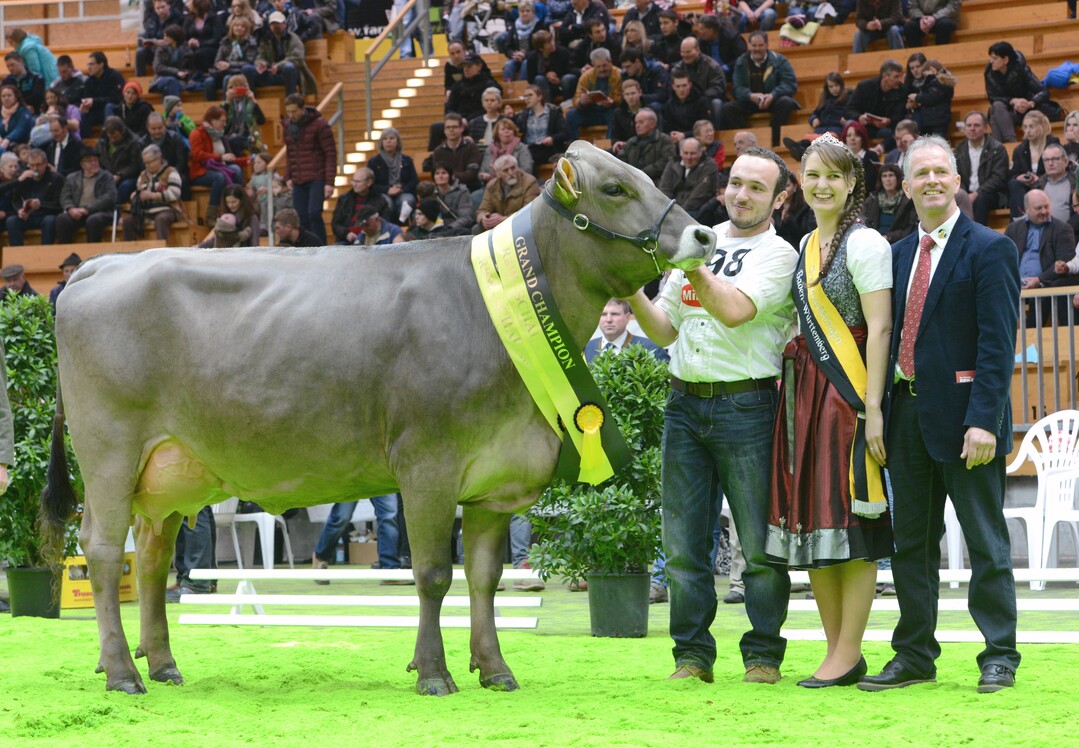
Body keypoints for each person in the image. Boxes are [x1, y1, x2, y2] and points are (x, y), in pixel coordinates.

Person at [858, 135, 1021, 694]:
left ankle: (999, 653)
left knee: (985, 544)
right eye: (918, 174)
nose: (929, 180)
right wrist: (876, 412)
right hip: (905, 420)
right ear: (904, 187)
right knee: (911, 547)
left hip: (967, 425)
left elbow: (998, 347)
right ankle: (915, 654)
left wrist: (983, 420)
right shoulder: (894, 253)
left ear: (956, 182)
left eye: (939, 172)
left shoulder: (991, 247)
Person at [627, 147, 795, 685]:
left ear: (779, 199)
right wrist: (630, 285)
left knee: (759, 547)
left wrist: (691, 260)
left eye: (756, 187)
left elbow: (733, 309)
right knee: (681, 547)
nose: (741, 194)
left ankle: (763, 654)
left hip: (747, 405)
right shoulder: (700, 239)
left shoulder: (779, 254)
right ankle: (692, 656)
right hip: (684, 402)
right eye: (735, 182)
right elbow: (664, 329)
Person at [766, 133, 894, 688]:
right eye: (813, 174)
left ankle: (849, 650)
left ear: (851, 185)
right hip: (805, 396)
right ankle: (835, 652)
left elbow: (881, 328)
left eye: (833, 177)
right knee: (816, 523)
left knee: (851, 524)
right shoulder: (802, 245)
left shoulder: (866, 245)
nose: (821, 185)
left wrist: (874, 408)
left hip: (847, 396)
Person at [1005, 188, 1077, 325]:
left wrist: (1039, 280)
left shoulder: (1063, 229)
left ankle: (1030, 343)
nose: (1044, 211)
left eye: (1046, 206)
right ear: (1026, 210)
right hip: (1015, 283)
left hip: (1044, 284)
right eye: (1038, 208)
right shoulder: (1013, 229)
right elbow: (1002, 260)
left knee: (1041, 296)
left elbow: (1064, 262)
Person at [722, 32, 799, 148]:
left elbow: (790, 84)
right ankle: (747, 142)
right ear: (749, 46)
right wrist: (750, 95)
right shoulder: (741, 62)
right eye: (754, 45)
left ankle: (775, 142)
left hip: (774, 100)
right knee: (728, 109)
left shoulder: (780, 60)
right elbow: (737, 89)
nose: (757, 49)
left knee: (786, 103)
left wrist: (773, 95)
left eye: (760, 45)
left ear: (767, 45)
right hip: (751, 101)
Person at [282, 93, 335, 245]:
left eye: (294, 111)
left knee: (314, 213)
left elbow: (330, 153)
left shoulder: (320, 125)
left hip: (317, 176)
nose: (291, 115)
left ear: (302, 109)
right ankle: (306, 250)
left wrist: (329, 182)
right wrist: (288, 176)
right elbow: (290, 153)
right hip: (298, 178)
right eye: (288, 112)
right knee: (300, 218)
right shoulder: (287, 126)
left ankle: (322, 247)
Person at [311, 496, 402, 582]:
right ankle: (321, 556)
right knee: (341, 517)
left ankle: (389, 569)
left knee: (388, 516)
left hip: (381, 479)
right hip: (351, 479)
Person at [985, 41, 1060, 144]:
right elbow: (992, 97)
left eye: (995, 58)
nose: (991, 61)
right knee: (997, 107)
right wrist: (1013, 101)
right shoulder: (989, 73)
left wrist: (1029, 103)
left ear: (1005, 59)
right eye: (991, 58)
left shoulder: (1021, 69)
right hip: (1007, 112)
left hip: (1028, 110)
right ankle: (1011, 141)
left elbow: (1043, 91)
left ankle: (999, 150)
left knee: (995, 116)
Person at [190, 105, 245, 223]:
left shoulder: (221, 135)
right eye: (222, 121)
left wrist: (246, 161)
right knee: (219, 177)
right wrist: (219, 157)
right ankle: (212, 214)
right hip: (201, 170)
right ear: (213, 121)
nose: (224, 124)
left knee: (237, 169)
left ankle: (240, 206)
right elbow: (197, 155)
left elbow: (230, 157)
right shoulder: (197, 133)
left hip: (220, 167)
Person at [954, 111, 1010, 226]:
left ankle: (977, 237)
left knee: (981, 200)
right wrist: (964, 194)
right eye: (969, 125)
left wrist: (977, 193)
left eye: (977, 125)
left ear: (985, 128)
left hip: (991, 194)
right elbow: (955, 176)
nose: (972, 129)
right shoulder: (959, 150)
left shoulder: (997, 149)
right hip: (966, 193)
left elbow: (998, 178)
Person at [123, 143, 185, 241]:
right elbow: (139, 191)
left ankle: (162, 250)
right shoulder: (143, 175)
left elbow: (175, 194)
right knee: (127, 221)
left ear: (159, 158)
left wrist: (153, 196)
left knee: (161, 219)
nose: (148, 166)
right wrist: (136, 196)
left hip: (168, 209)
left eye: (150, 162)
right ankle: (129, 252)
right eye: (145, 163)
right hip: (145, 211)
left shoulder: (171, 172)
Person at [55, 146, 116, 244]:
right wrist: (70, 209)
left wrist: (88, 209)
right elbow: (65, 196)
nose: (94, 163)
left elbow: (109, 197)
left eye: (95, 160)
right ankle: (65, 251)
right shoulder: (72, 178)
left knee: (93, 220)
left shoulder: (106, 176)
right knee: (62, 219)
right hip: (77, 211)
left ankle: (93, 253)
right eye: (89, 161)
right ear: (82, 164)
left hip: (100, 212)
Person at [846, 59, 907, 153]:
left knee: (899, 131)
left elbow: (900, 114)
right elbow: (849, 109)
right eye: (896, 77)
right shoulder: (865, 86)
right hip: (864, 126)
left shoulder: (902, 90)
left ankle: (878, 150)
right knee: (850, 125)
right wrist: (859, 117)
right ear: (885, 76)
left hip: (886, 128)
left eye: (900, 76)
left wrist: (889, 120)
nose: (900, 80)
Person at [1007, 110, 1059, 219]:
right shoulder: (1020, 149)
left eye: (1031, 127)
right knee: (1014, 183)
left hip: (1046, 184)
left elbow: (1058, 170)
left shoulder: (1053, 145)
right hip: (1025, 188)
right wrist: (1018, 177)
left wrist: (1039, 179)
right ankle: (1020, 219)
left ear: (1042, 125)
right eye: (1025, 127)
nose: (1028, 131)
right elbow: (1013, 174)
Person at [6, 148, 64, 245]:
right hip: (29, 215)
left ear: (45, 163)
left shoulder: (56, 178)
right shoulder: (25, 177)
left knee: (50, 221)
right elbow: (15, 199)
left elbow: (59, 204)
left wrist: (41, 205)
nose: (35, 169)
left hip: (46, 214)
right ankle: (17, 254)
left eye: (38, 165)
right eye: (31, 165)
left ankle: (46, 253)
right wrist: (19, 210)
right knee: (12, 221)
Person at [584, 298, 669, 363]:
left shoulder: (651, 349)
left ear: (628, 317)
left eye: (614, 314)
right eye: (603, 315)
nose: (608, 319)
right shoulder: (588, 347)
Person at [255, 11, 318, 97]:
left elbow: (297, 58)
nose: (276, 26)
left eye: (278, 23)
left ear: (284, 24)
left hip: (290, 74)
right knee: (248, 70)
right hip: (270, 73)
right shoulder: (266, 40)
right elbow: (260, 56)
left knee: (289, 67)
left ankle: (290, 100)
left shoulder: (293, 38)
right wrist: (261, 64)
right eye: (273, 24)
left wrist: (278, 66)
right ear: (270, 26)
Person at [564, 48, 622, 142]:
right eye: (598, 67)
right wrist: (582, 102)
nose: (601, 69)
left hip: (610, 111)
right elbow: (576, 99)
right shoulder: (586, 76)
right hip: (591, 111)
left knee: (616, 113)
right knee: (571, 114)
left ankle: (608, 146)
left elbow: (623, 98)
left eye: (604, 66)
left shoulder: (619, 75)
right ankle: (573, 145)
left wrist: (613, 102)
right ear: (593, 65)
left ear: (610, 61)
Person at [670, 37, 727, 128]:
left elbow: (718, 88)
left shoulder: (712, 66)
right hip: (685, 100)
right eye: (682, 52)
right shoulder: (677, 69)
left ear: (697, 50)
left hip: (706, 100)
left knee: (716, 103)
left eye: (688, 52)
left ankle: (716, 133)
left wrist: (700, 97)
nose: (685, 55)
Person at [475, 154, 540, 231]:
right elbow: (482, 210)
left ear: (518, 168)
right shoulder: (491, 186)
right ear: (498, 174)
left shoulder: (529, 182)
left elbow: (528, 214)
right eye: (505, 170)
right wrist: (484, 219)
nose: (511, 173)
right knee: (476, 229)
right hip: (499, 225)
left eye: (513, 168)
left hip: (520, 225)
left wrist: (502, 220)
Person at [367, 128, 418, 226]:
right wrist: (388, 190)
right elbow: (371, 185)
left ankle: (402, 227)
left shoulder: (407, 160)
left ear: (398, 142)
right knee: (386, 202)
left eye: (391, 138)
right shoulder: (374, 162)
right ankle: (387, 227)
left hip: (403, 192)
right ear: (381, 143)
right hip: (383, 193)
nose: (388, 141)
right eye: (385, 139)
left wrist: (401, 189)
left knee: (407, 201)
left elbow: (414, 180)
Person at [658, 137, 718, 216]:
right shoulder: (672, 163)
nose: (689, 157)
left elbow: (700, 195)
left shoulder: (709, 166)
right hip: (671, 209)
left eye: (693, 153)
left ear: (701, 152)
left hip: (697, 211)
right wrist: (667, 209)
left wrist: (680, 214)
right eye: (685, 153)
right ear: (680, 153)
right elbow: (664, 189)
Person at [205, 16, 260, 103]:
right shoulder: (225, 41)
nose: (239, 28)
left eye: (242, 26)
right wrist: (220, 65)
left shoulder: (251, 42)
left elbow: (248, 62)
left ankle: (227, 106)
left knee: (227, 79)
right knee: (208, 81)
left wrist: (229, 65)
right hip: (223, 71)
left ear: (246, 29)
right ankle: (212, 109)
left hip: (238, 72)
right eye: (236, 26)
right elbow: (217, 61)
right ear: (232, 28)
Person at [615, 107, 675, 186]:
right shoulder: (631, 142)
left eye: (641, 122)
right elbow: (620, 161)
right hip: (632, 182)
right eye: (636, 123)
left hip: (657, 183)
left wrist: (641, 174)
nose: (637, 126)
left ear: (652, 124)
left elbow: (665, 162)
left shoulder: (664, 140)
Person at [514, 84, 567, 169]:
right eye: (525, 96)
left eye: (530, 95)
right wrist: (511, 117)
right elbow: (517, 131)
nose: (527, 98)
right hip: (529, 148)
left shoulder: (554, 113)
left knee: (527, 156)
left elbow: (564, 133)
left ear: (539, 97)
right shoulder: (523, 115)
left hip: (547, 148)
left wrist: (552, 138)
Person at [331, 167, 389, 244]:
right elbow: (336, 223)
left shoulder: (380, 201)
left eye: (358, 181)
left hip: (371, 239)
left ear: (369, 182)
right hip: (346, 240)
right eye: (353, 181)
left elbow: (384, 224)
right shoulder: (344, 199)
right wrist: (346, 234)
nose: (354, 184)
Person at [863, 163, 916, 243]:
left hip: (898, 243)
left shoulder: (908, 200)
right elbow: (864, 222)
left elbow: (910, 228)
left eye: (891, 175)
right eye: (884, 176)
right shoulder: (872, 199)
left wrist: (888, 237)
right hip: (874, 242)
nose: (888, 179)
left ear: (897, 178)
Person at [428, 112, 482, 192]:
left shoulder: (472, 147)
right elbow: (439, 175)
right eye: (448, 127)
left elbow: (471, 174)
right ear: (444, 130)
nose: (451, 130)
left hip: (470, 189)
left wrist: (450, 176)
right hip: (447, 190)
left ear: (462, 128)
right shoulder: (438, 151)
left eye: (455, 127)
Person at [94, 117, 141, 206]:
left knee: (124, 186)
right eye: (110, 137)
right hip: (107, 174)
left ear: (122, 132)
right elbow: (97, 159)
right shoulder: (102, 141)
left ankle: (114, 208)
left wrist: (119, 175)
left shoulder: (134, 142)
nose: (112, 140)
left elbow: (135, 165)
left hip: (127, 177)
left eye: (115, 136)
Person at [78, 51, 125, 139]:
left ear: (101, 64)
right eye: (88, 65)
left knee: (109, 106)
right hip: (97, 112)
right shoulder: (88, 81)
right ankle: (85, 143)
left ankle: (107, 139)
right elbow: (86, 98)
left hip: (115, 111)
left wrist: (94, 101)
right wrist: (85, 106)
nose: (88, 68)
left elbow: (117, 98)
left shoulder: (114, 76)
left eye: (91, 64)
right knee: (83, 114)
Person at [906, 59, 955, 139]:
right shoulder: (941, 82)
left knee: (938, 144)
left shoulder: (938, 82)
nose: (925, 77)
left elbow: (930, 97)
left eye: (925, 74)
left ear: (932, 70)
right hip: (936, 119)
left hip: (937, 120)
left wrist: (916, 97)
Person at [479, 119, 534, 189]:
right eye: (503, 129)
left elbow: (527, 170)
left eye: (509, 129)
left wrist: (505, 174)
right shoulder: (489, 150)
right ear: (497, 133)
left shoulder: (521, 148)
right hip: (492, 186)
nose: (506, 131)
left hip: (517, 186)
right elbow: (482, 171)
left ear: (513, 132)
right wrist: (485, 176)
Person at [136, 0, 184, 77]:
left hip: (170, 49)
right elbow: (148, 34)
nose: (160, 10)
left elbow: (180, 37)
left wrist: (167, 42)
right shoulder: (152, 18)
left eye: (163, 7)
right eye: (157, 8)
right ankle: (140, 78)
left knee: (160, 50)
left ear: (169, 6)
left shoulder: (178, 18)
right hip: (154, 47)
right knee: (140, 52)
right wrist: (153, 41)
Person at [661, 72, 711, 145]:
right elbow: (666, 128)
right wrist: (672, 135)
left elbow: (704, 127)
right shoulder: (669, 105)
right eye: (678, 86)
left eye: (684, 85)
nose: (681, 89)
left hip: (698, 141)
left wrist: (685, 135)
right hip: (676, 142)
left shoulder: (701, 102)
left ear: (690, 85)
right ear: (673, 87)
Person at [150, 24, 198, 99]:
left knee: (168, 88)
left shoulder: (186, 50)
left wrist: (185, 73)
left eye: (167, 36)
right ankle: (174, 108)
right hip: (161, 78)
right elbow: (158, 67)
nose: (164, 39)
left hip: (179, 80)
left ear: (174, 37)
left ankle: (170, 109)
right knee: (171, 81)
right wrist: (176, 72)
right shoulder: (161, 49)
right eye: (164, 36)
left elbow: (190, 69)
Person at [222, 74, 266, 157]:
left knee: (234, 141)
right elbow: (220, 121)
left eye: (241, 86)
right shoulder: (226, 104)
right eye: (235, 87)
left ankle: (238, 165)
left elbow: (261, 121)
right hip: (228, 136)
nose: (238, 89)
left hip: (249, 137)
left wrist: (253, 100)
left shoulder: (250, 103)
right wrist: (227, 101)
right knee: (229, 142)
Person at [1034, 143, 1076, 226]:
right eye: (1046, 160)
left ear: (1065, 161)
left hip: (1070, 233)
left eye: (1054, 159)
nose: (1050, 163)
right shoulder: (1038, 185)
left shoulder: (1076, 183)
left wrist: (1065, 230)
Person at [771, 171, 816, 249]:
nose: (783, 189)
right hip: (777, 248)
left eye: (787, 186)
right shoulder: (775, 207)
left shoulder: (804, 208)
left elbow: (805, 233)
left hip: (797, 248)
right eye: (781, 186)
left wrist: (788, 221)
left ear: (794, 186)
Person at [432, 165, 475, 236]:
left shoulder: (462, 192)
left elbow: (466, 218)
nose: (440, 176)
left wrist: (449, 228)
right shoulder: (430, 192)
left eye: (444, 173)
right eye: (437, 173)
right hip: (436, 229)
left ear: (451, 176)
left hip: (456, 229)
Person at [183, 0, 224, 76]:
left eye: (190, 2)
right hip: (192, 47)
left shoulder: (213, 18)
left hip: (210, 47)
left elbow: (217, 38)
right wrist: (189, 42)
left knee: (199, 54)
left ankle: (205, 75)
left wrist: (200, 44)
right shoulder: (189, 18)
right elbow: (184, 37)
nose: (187, 4)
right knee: (185, 53)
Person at [0, 85, 34, 154]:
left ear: (15, 97)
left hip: (21, 145)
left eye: (9, 95)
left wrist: (7, 139)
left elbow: (20, 129)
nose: (6, 98)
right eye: (3, 96)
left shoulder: (24, 112)